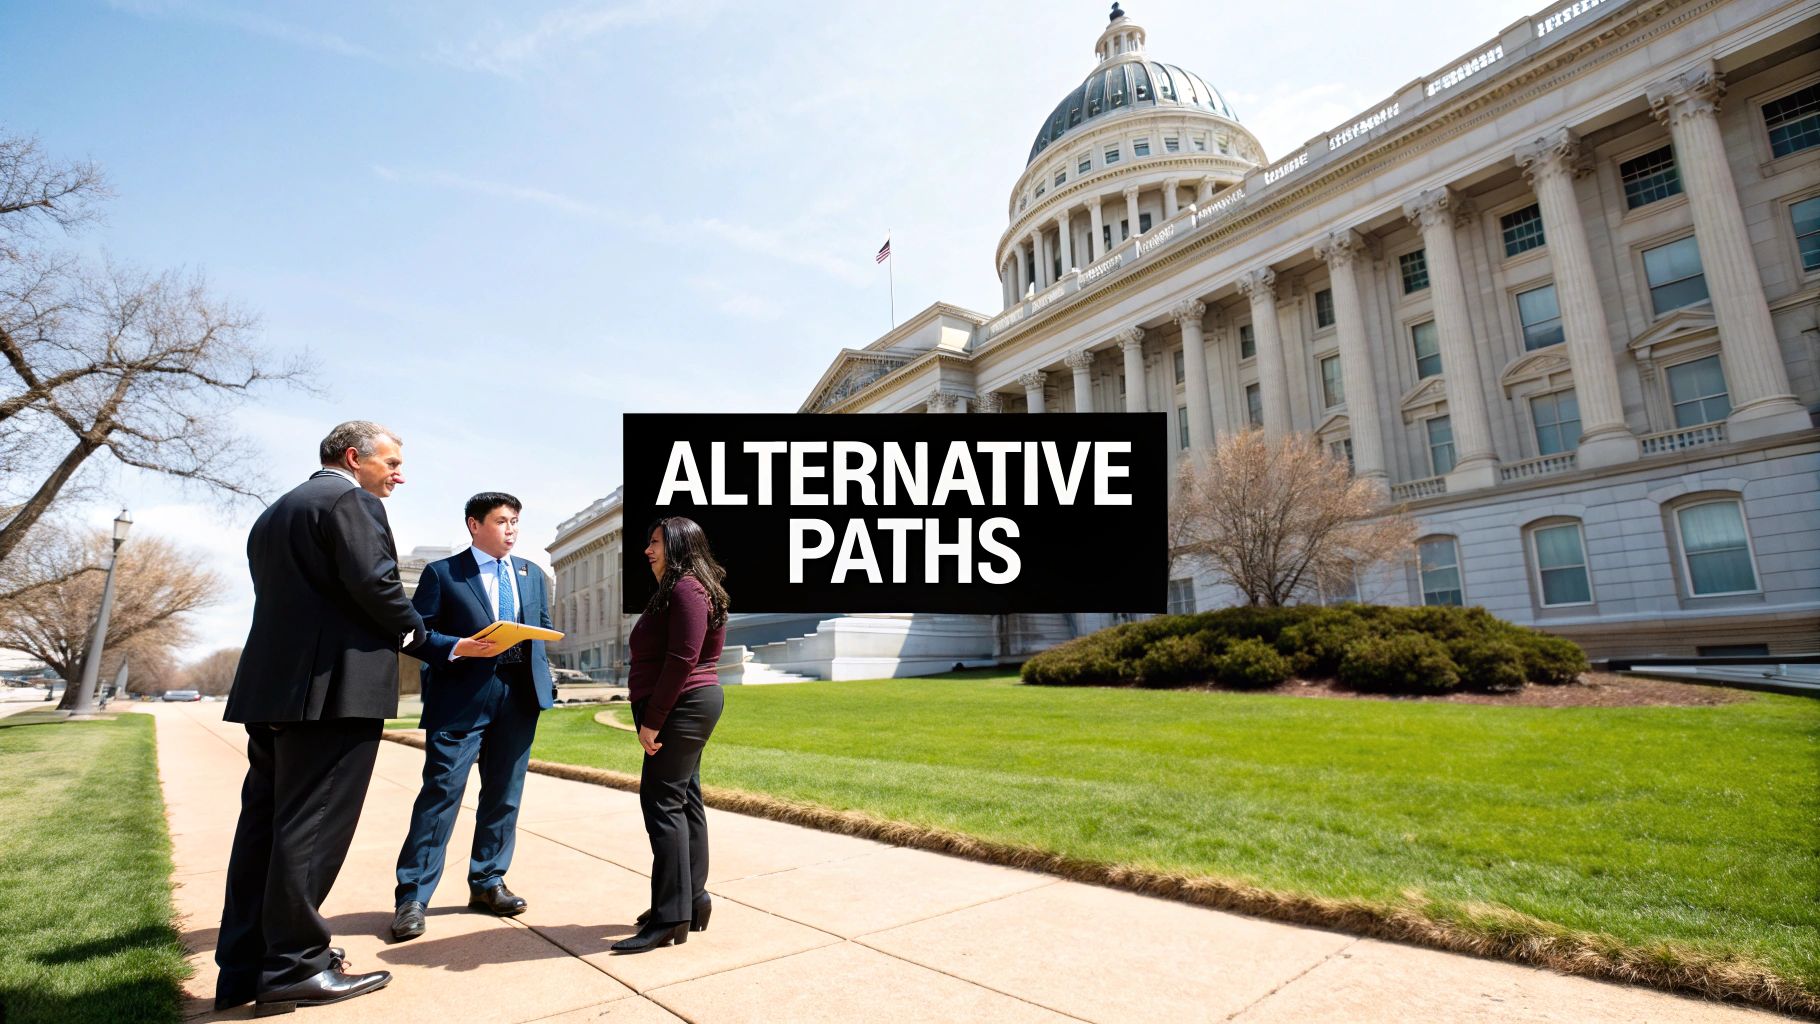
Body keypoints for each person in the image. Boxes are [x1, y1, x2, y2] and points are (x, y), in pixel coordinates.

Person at [215, 421, 422, 1014]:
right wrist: (427, 638)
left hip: (276, 693)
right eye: (391, 462)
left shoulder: (276, 512)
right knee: (310, 833)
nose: (398, 475)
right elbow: (378, 587)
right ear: (354, 458)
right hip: (334, 695)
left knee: (263, 831)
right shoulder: (350, 501)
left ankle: (245, 967)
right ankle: (295, 968)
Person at [390, 492, 556, 940]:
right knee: (441, 793)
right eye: (502, 521)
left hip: (518, 696)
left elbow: (540, 626)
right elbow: (414, 635)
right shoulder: (443, 574)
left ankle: (488, 882)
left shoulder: (533, 574)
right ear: (474, 524)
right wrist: (458, 646)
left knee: (503, 795)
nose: (511, 529)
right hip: (460, 698)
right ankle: (413, 898)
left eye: (516, 521)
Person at [611, 516, 729, 954]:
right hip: (686, 704)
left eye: (656, 542)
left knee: (661, 804)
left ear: (678, 545)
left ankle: (670, 916)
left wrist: (653, 719)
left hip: (682, 705)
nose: (648, 550)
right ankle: (690, 900)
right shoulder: (684, 589)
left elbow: (682, 658)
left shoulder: (686, 589)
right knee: (684, 800)